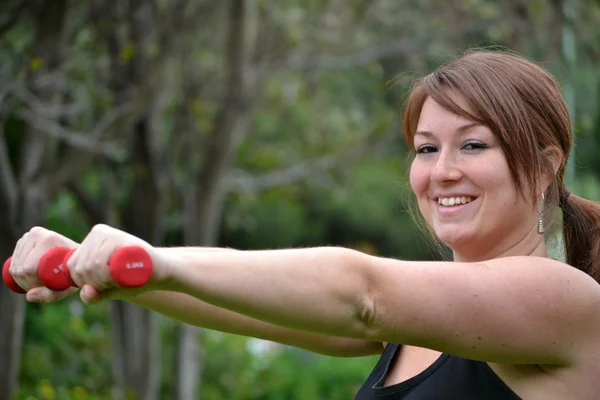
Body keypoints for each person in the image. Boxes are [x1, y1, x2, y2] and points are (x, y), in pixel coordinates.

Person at [8, 49, 600, 399]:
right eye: (425, 149)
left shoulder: (561, 297)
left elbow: (360, 292)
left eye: (473, 145)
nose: (442, 172)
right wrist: (124, 273)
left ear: (545, 167)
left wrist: (153, 258)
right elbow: (243, 306)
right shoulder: (414, 328)